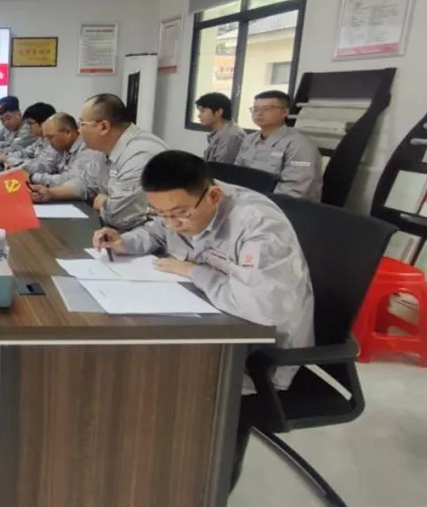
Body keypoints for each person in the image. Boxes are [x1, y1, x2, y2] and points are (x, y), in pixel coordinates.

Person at [93, 150, 314, 488]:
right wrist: (125, 242)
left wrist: (195, 272)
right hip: (209, 316)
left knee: (158, 378)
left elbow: (263, 308)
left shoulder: (258, 226)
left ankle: (199, 489)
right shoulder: (184, 205)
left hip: (258, 354)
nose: (172, 223)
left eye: (179, 214)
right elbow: (158, 232)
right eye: (162, 213)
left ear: (213, 196)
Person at [34, 94, 167, 231]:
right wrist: (50, 193)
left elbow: (122, 215)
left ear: (103, 127)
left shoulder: (139, 154)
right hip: (119, 230)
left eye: (82, 124)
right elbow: (86, 183)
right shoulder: (103, 149)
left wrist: (103, 202)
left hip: (152, 236)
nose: (78, 130)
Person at [234, 90, 323, 200]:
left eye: (266, 109)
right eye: (255, 109)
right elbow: (237, 173)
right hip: (248, 199)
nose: (259, 113)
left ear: (285, 112)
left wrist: (255, 202)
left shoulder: (299, 145)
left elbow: (293, 190)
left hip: (284, 205)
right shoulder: (249, 139)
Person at [27, 112, 93, 188]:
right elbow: (44, 164)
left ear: (68, 132)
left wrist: (34, 177)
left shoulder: (87, 147)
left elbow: (73, 180)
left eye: (50, 137)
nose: (48, 142)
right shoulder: (60, 146)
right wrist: (27, 171)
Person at [0, 102, 58, 173]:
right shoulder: (40, 140)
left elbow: (40, 167)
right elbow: (25, 152)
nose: (28, 127)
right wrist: (7, 156)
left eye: (30, 123)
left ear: (43, 124)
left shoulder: (54, 143)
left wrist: (9, 160)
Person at [196, 92, 246, 163]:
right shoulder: (218, 131)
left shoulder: (231, 136)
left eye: (203, 111)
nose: (199, 115)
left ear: (219, 112)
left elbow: (222, 167)